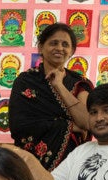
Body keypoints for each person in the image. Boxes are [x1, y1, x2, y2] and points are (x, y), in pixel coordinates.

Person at [9, 22, 94, 170]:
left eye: (65, 44)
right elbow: (20, 126)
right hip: (32, 166)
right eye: (53, 43)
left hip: (73, 165)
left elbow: (87, 122)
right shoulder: (25, 81)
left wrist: (59, 86)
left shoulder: (80, 83)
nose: (60, 48)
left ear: (72, 50)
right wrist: (70, 126)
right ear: (41, 47)